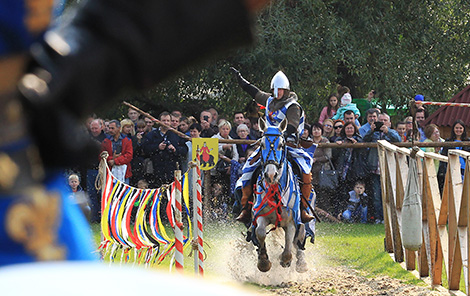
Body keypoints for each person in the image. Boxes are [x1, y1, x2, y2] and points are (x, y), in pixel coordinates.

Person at [0, 0, 268, 267]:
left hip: (39, 214)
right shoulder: (269, 101)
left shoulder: (288, 108)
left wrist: (54, 81)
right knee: (249, 176)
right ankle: (245, 205)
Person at [232, 69, 314, 223]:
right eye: (275, 90)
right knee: (248, 168)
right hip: (268, 145)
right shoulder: (269, 100)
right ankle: (246, 208)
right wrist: (241, 80)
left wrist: (279, 135)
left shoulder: (293, 106)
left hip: (289, 145)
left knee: (305, 172)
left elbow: (293, 125)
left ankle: (303, 209)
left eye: (281, 90)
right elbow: (255, 92)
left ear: (286, 90)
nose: (278, 93)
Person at [362, 112, 400, 223]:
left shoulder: (392, 132)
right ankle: (379, 218)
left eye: (385, 121)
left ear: (389, 122)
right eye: (380, 121)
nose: (382, 123)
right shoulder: (373, 133)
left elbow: (398, 140)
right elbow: (364, 140)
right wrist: (372, 130)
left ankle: (388, 218)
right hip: (375, 168)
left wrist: (387, 132)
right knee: (376, 196)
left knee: (390, 195)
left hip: (389, 168)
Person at [143, 112, 188, 187]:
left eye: (168, 121)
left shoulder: (176, 134)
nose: (166, 123)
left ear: (170, 122)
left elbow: (184, 150)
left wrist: (175, 149)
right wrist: (158, 147)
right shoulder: (151, 134)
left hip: (173, 170)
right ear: (159, 121)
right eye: (164, 120)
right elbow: (145, 149)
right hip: (156, 170)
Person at [332, 122, 368, 216]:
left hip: (354, 171)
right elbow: (334, 156)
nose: (349, 130)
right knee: (341, 194)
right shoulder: (339, 139)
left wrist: (357, 145)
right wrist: (338, 145)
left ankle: (357, 216)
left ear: (355, 129)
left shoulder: (359, 139)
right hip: (342, 171)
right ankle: (340, 214)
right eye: (347, 128)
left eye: (351, 128)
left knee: (355, 194)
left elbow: (364, 154)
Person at [306, 123, 332, 214]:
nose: (316, 131)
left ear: (321, 131)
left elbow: (328, 156)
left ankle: (326, 214)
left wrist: (316, 159)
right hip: (311, 171)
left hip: (322, 171)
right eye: (314, 129)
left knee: (323, 194)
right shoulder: (308, 141)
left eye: (318, 129)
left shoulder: (325, 141)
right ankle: (311, 212)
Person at [86, 119, 107, 222]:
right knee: (92, 194)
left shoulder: (106, 138)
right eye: (92, 128)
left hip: (103, 169)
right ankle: (94, 217)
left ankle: (104, 216)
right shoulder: (87, 137)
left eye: (96, 128)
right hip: (90, 169)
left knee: (103, 194)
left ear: (101, 127)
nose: (94, 130)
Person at [212, 120, 239, 197]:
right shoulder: (214, 138)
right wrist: (222, 148)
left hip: (228, 167)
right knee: (216, 188)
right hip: (216, 167)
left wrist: (232, 165)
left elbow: (235, 155)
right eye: (223, 129)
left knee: (226, 188)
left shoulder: (231, 140)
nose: (225, 131)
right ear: (220, 129)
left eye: (227, 129)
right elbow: (211, 150)